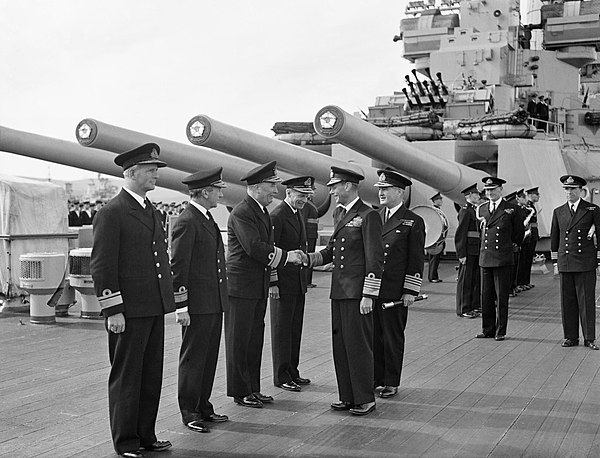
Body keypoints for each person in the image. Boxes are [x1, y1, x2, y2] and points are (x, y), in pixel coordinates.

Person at [90, 143, 175, 458]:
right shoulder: (112, 212)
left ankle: (145, 434)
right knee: (127, 375)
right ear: (133, 171)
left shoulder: (151, 210)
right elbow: (102, 265)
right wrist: (113, 310)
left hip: (152, 307)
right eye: (151, 169)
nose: (155, 174)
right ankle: (125, 441)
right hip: (128, 311)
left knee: (151, 373)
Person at [306, 166, 384, 416]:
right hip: (339, 291)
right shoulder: (341, 215)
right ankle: (347, 395)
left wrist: (369, 295)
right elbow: (330, 252)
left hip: (357, 294)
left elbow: (375, 258)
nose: (332, 192)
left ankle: (364, 398)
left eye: (335, 187)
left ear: (348, 186)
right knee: (341, 346)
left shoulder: (368, 215)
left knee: (359, 346)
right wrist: (306, 259)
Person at [225, 161, 304, 408]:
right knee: (240, 341)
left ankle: (253, 388)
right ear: (258, 187)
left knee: (253, 340)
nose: (275, 191)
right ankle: (241, 391)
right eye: (271, 186)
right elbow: (254, 247)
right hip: (241, 288)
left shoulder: (259, 211)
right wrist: (287, 256)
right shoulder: (242, 212)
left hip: (256, 286)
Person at [171, 167, 230, 434]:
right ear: (205, 192)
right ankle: (190, 410)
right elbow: (179, 267)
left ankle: (203, 404)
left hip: (213, 303)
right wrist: (181, 306)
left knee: (208, 357)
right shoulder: (187, 220)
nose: (220, 193)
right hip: (196, 305)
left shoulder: (205, 217)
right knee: (193, 358)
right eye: (217, 189)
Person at [372, 168, 425, 399]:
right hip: (373, 289)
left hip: (395, 291)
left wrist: (410, 290)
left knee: (392, 337)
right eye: (380, 189)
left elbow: (415, 259)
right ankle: (375, 378)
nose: (381, 193)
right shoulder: (374, 217)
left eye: (386, 189)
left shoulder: (413, 222)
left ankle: (391, 381)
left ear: (399, 192)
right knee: (374, 336)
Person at [270, 176, 315, 393]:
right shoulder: (278, 215)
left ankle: (292, 371)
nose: (304, 199)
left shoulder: (298, 214)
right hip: (283, 283)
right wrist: (273, 283)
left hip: (297, 283)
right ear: (288, 193)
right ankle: (281, 375)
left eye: (307, 196)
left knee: (294, 329)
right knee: (282, 330)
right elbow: (272, 251)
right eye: (300, 195)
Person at [551, 175, 600, 350]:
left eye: (573, 189)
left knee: (586, 301)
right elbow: (555, 239)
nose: (569, 192)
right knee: (568, 301)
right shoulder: (558, 211)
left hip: (585, 261)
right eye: (567, 189)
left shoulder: (592, 209)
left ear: (581, 191)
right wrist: (556, 262)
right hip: (566, 261)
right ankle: (570, 337)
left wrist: (599, 259)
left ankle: (589, 338)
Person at [476, 177, 525, 341]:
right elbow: (480, 232)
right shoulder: (482, 209)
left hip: (502, 258)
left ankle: (501, 330)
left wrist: (509, 247)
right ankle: (487, 329)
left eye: (493, 190)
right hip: (486, 257)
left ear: (500, 190)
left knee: (501, 296)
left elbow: (518, 234)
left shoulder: (512, 209)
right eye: (487, 190)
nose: (490, 193)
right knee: (486, 295)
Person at [455, 183, 481, 318]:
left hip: (476, 249)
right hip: (468, 250)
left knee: (475, 279)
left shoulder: (474, 210)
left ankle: (474, 305)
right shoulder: (465, 210)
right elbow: (461, 234)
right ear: (469, 195)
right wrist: (461, 254)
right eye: (476, 194)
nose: (478, 196)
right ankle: (463, 308)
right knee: (465, 280)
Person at [517, 187, 540, 290]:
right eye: (536, 194)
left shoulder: (531, 206)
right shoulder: (528, 207)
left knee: (528, 259)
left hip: (532, 234)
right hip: (528, 234)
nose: (538, 196)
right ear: (530, 195)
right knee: (524, 260)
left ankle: (525, 281)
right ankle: (521, 282)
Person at [301, 194, 319, 288]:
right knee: (307, 257)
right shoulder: (306, 205)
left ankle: (308, 280)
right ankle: (306, 281)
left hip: (312, 235)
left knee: (311, 257)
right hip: (308, 235)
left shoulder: (310, 204)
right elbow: (303, 220)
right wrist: (304, 237)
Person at [428, 192, 444, 282]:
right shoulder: (434, 211)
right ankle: (432, 277)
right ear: (435, 201)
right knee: (434, 258)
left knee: (436, 258)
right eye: (440, 199)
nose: (441, 201)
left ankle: (434, 276)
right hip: (435, 237)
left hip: (438, 237)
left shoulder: (437, 210)